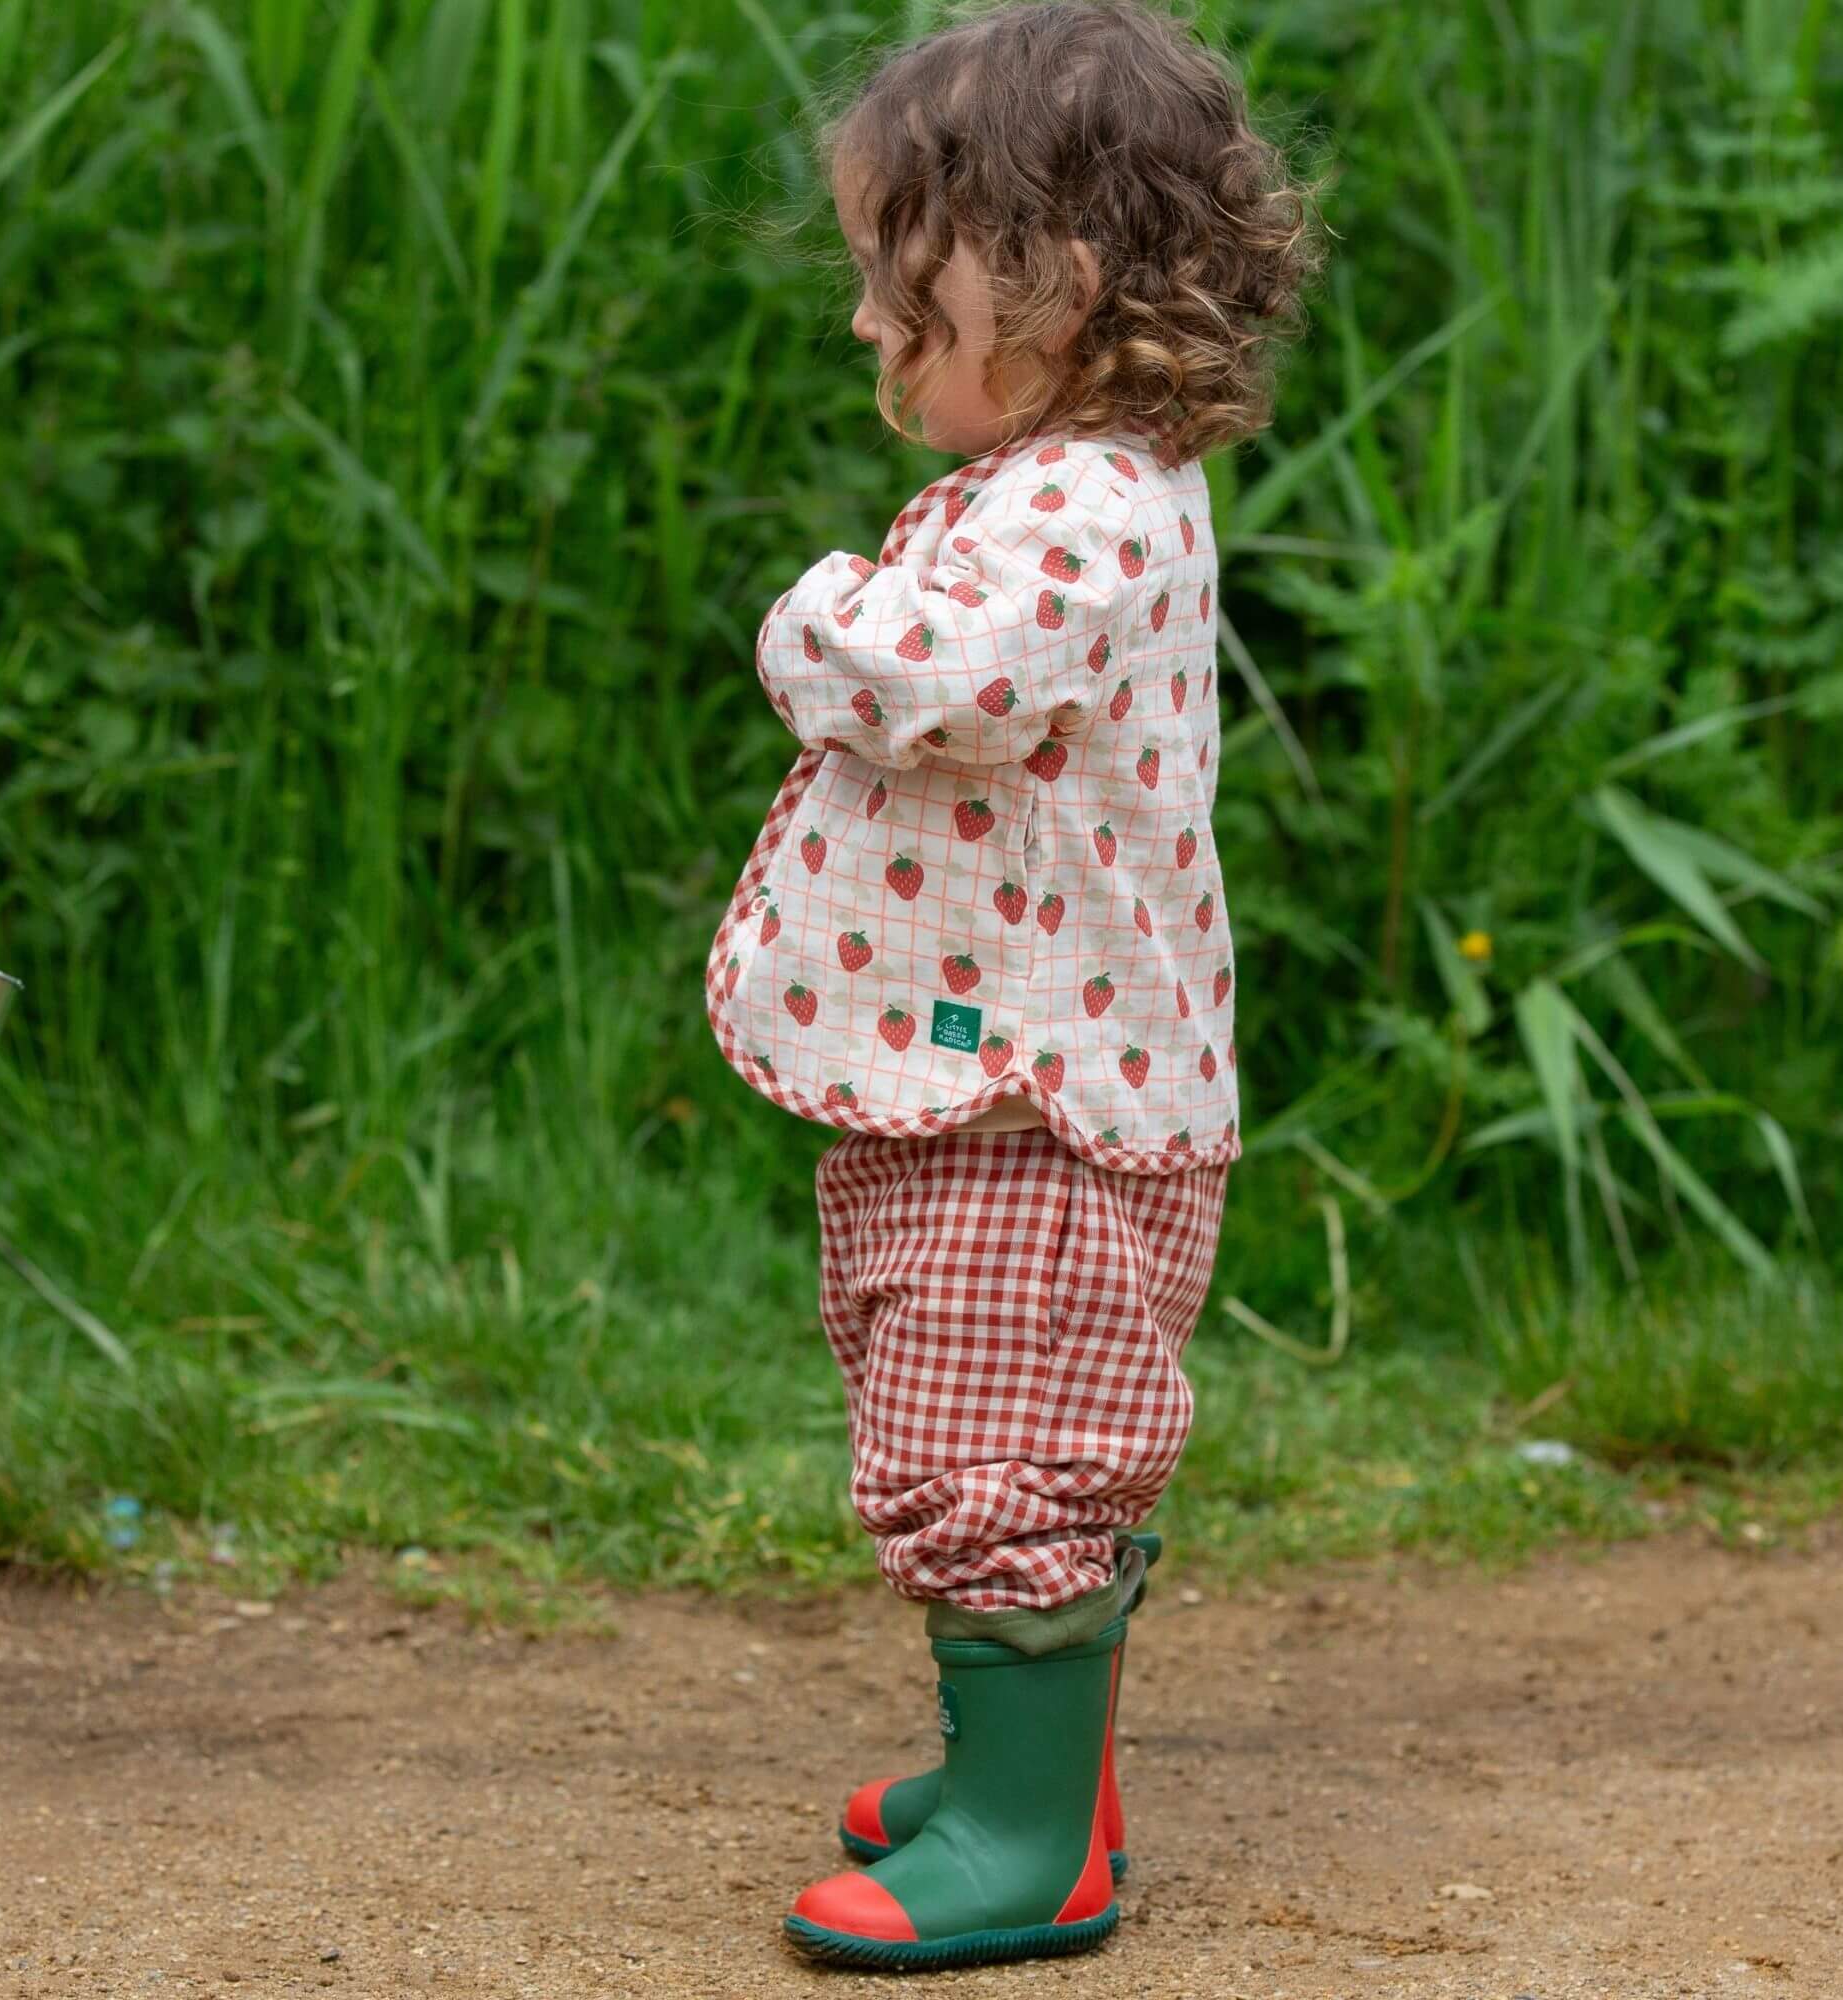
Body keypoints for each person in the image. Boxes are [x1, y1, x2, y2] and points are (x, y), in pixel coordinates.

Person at [704, 0, 1319, 1968]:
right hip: (1021, 1086)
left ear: (1050, 279)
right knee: (985, 1412)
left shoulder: (1079, 505)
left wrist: (812, 610)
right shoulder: (1078, 483)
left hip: (1037, 1111)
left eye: (900, 280)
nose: (865, 322)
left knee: (1002, 1453)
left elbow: (928, 679)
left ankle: (1032, 1836)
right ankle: (1039, 1777)